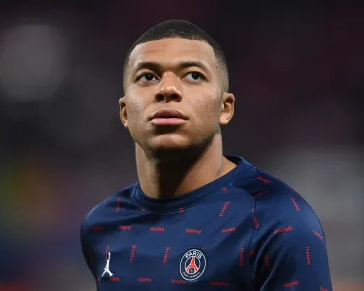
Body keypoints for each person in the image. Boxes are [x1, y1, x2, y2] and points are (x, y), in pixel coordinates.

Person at [80, 19, 333, 290]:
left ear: (225, 108)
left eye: (193, 75)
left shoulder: (279, 222)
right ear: (125, 112)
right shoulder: (101, 225)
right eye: (147, 77)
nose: (167, 89)